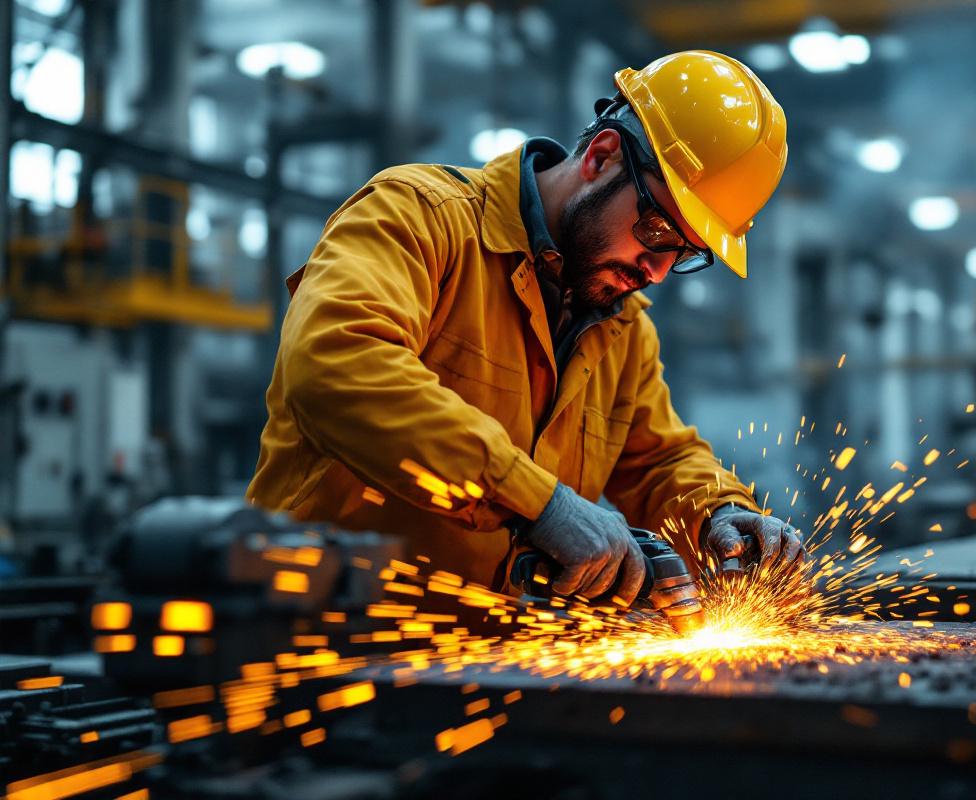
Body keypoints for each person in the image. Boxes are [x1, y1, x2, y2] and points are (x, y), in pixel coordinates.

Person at [247, 50, 804, 607]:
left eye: (685, 253)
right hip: (321, 637)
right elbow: (337, 367)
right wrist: (538, 502)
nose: (656, 270)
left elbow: (656, 460)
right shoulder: (419, 217)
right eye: (658, 228)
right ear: (602, 157)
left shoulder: (623, 328)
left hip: (485, 667)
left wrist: (720, 512)